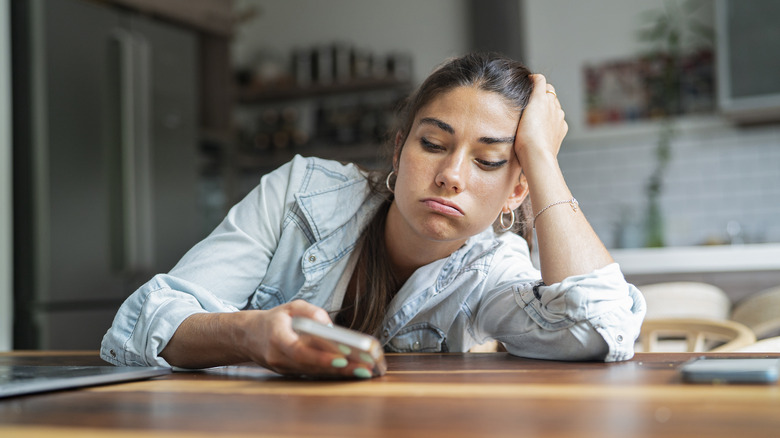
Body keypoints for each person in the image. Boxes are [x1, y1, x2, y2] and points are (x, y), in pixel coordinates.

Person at [101, 52, 646, 378]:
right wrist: (248, 335)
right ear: (398, 151)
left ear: (515, 191)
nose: (452, 174)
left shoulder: (493, 268)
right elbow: (140, 324)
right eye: (433, 144)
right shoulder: (301, 193)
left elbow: (600, 329)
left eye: (489, 160)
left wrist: (544, 161)